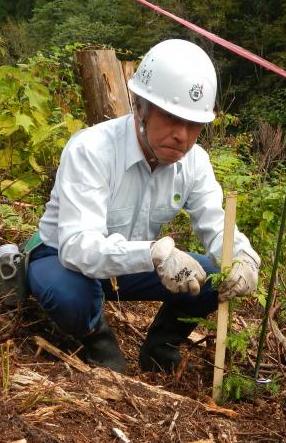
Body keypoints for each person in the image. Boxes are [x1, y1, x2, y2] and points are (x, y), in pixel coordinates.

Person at [26, 39, 260, 374]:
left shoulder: (194, 163)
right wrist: (154, 254)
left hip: (128, 265)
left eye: (193, 124)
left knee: (210, 277)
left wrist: (243, 257)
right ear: (141, 107)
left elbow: (216, 223)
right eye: (170, 117)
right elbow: (79, 248)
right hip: (62, 257)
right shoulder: (92, 150)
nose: (182, 135)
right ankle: (97, 340)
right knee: (70, 295)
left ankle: (160, 348)